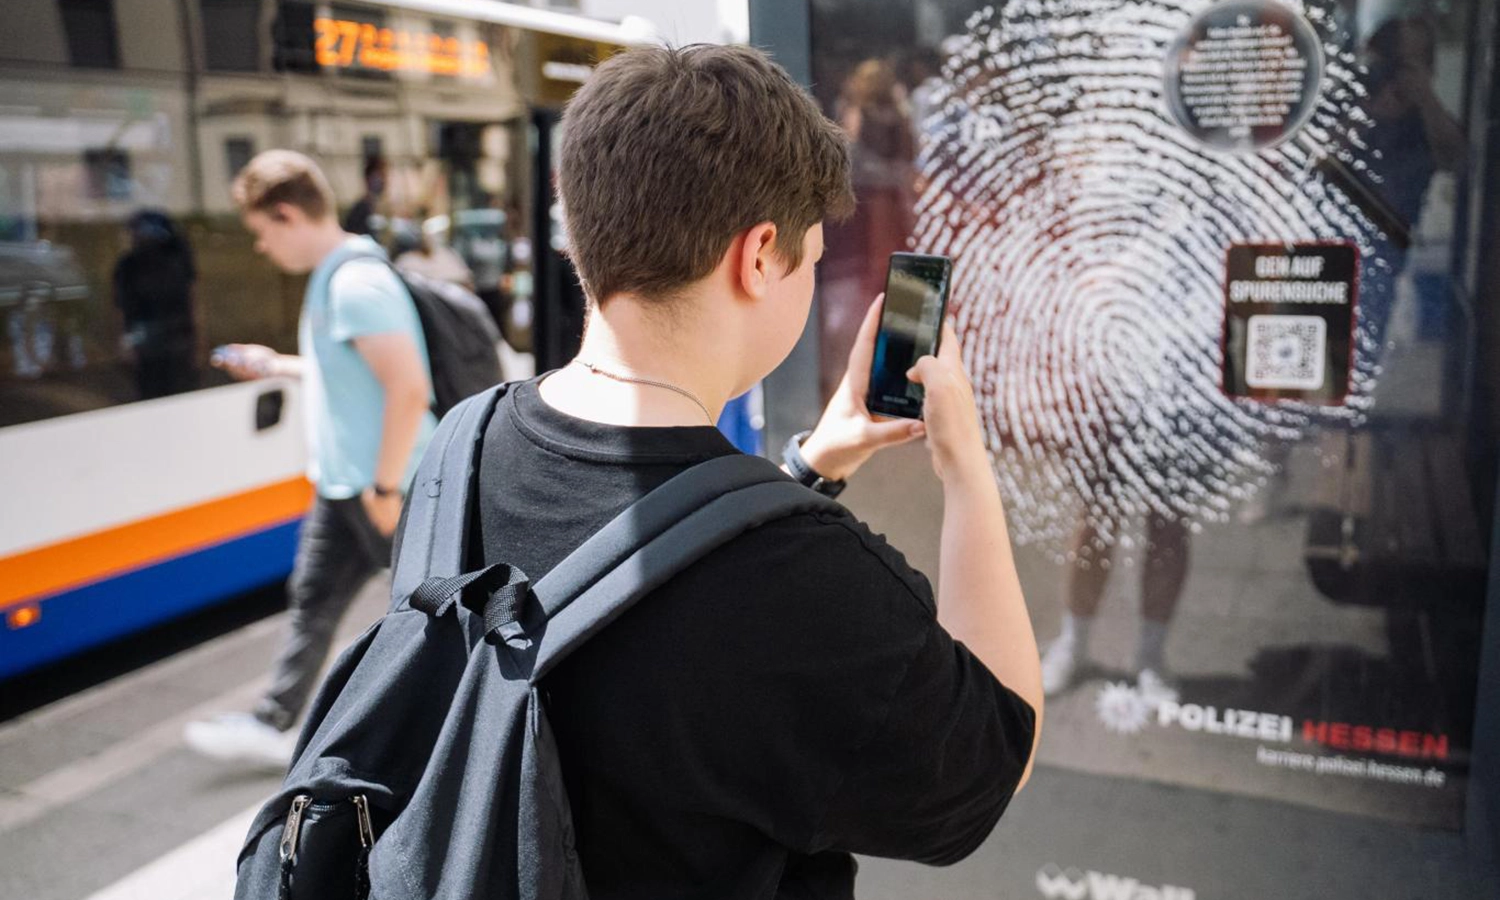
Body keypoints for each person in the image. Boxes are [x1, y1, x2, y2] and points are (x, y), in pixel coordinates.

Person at [473, 44, 1042, 897]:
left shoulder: (464, 444)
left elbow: (640, 575)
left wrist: (810, 465)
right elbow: (995, 756)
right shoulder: (804, 583)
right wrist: (967, 473)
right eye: (812, 258)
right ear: (760, 255)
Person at [184, 150, 435, 766]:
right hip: (344, 483)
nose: (262, 249)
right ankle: (274, 724)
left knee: (430, 610)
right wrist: (276, 365)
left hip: (386, 482)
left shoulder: (356, 283)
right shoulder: (335, 278)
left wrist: (384, 488)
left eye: (263, 233)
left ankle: (462, 726)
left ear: (288, 214)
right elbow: (347, 373)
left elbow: (408, 389)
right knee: (314, 599)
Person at [113, 210, 199, 399]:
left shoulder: (176, 261)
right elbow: (121, 308)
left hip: (176, 340)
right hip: (148, 342)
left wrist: (198, 341)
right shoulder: (127, 265)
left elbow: (192, 300)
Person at [341, 156, 387, 238]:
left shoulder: (379, 208)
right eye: (380, 176)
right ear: (368, 179)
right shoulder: (360, 209)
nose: (384, 181)